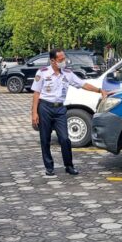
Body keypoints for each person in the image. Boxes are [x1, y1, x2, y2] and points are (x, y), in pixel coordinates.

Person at [31, 48, 109, 176]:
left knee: (65, 139)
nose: (64, 61)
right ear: (52, 61)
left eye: (64, 58)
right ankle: (49, 167)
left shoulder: (68, 74)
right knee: (45, 139)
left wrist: (100, 91)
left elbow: (83, 84)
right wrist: (34, 113)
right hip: (44, 107)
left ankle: (69, 166)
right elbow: (36, 93)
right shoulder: (43, 73)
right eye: (60, 60)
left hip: (60, 109)